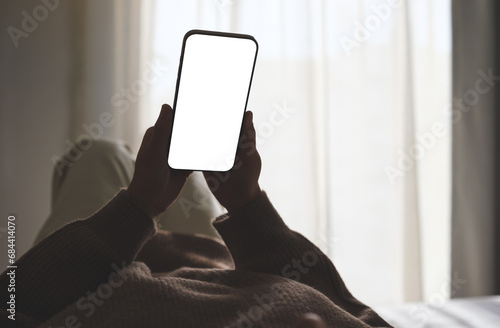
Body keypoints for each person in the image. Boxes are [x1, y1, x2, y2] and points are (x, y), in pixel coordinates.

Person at [0, 104, 392, 328]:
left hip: (94, 273)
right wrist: (246, 204)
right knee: (181, 164)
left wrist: (138, 204)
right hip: (229, 263)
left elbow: (11, 304)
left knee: (99, 154)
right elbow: (360, 314)